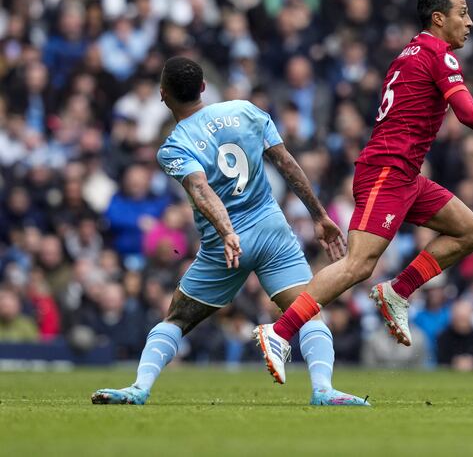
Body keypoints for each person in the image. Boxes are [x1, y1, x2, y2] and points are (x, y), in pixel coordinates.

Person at [257, 0, 473, 384]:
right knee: (358, 264)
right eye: (462, 13)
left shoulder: (409, 53)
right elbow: (467, 113)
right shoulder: (439, 54)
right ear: (439, 18)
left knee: (471, 230)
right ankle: (278, 332)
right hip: (387, 170)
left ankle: (398, 291)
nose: (470, 22)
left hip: (405, 175)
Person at [91, 57, 367, 406]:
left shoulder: (173, 145)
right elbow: (285, 162)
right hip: (272, 231)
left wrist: (226, 231)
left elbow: (201, 188)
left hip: (226, 247)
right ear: (204, 87)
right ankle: (324, 390)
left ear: (163, 95)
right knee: (307, 311)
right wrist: (320, 215)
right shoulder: (246, 110)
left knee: (176, 317)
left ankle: (139, 388)